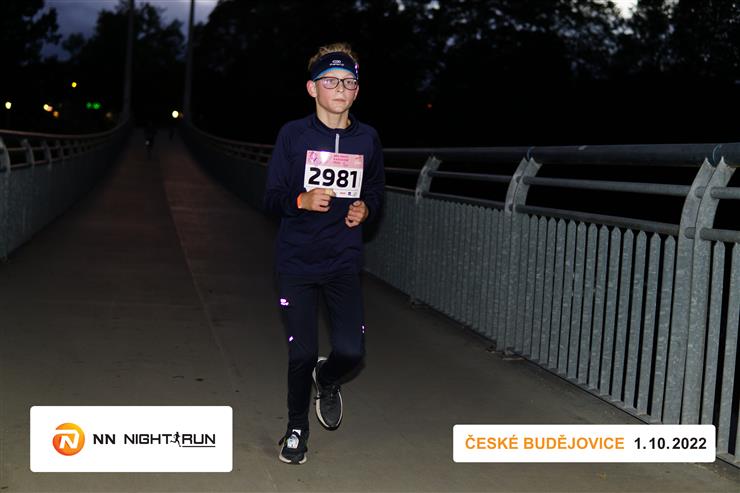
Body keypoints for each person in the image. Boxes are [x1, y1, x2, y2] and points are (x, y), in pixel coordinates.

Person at [263, 42, 385, 465]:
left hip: (342, 260)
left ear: (357, 90)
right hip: (296, 260)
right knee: (300, 351)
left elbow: (375, 190)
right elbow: (271, 196)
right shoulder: (293, 135)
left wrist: (366, 208)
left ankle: (327, 377)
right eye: (330, 81)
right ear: (312, 88)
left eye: (349, 82)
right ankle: (297, 427)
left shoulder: (367, 138)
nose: (341, 89)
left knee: (351, 351)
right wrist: (300, 200)